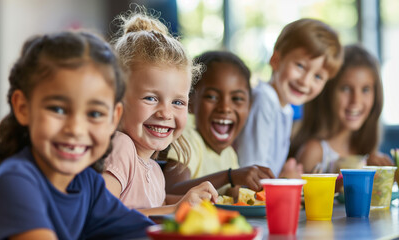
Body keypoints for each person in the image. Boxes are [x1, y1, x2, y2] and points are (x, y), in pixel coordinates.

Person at [0, 31, 153, 240]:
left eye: (94, 114)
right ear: (23, 108)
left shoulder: (88, 185)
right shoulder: (15, 182)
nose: (76, 129)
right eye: (58, 109)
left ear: (113, 119)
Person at [102, 7, 218, 216]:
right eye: (151, 98)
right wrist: (175, 208)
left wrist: (190, 201)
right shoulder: (120, 147)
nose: (166, 113)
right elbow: (99, 217)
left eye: (178, 102)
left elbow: (153, 206)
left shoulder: (153, 169)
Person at [232, 18, 344, 178]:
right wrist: (285, 180)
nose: (305, 81)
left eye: (318, 76)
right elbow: (252, 172)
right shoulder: (265, 100)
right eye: (300, 66)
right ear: (276, 60)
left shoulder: (284, 108)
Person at [160, 51, 275, 196]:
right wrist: (229, 177)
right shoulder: (187, 141)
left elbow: (233, 195)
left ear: (249, 106)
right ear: (189, 102)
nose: (225, 108)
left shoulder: (229, 154)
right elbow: (171, 190)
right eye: (212, 97)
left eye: (237, 99)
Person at [290, 44, 393, 173]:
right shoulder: (314, 152)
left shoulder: (366, 153)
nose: (356, 100)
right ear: (327, 93)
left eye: (365, 90)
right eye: (345, 89)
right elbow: (303, 193)